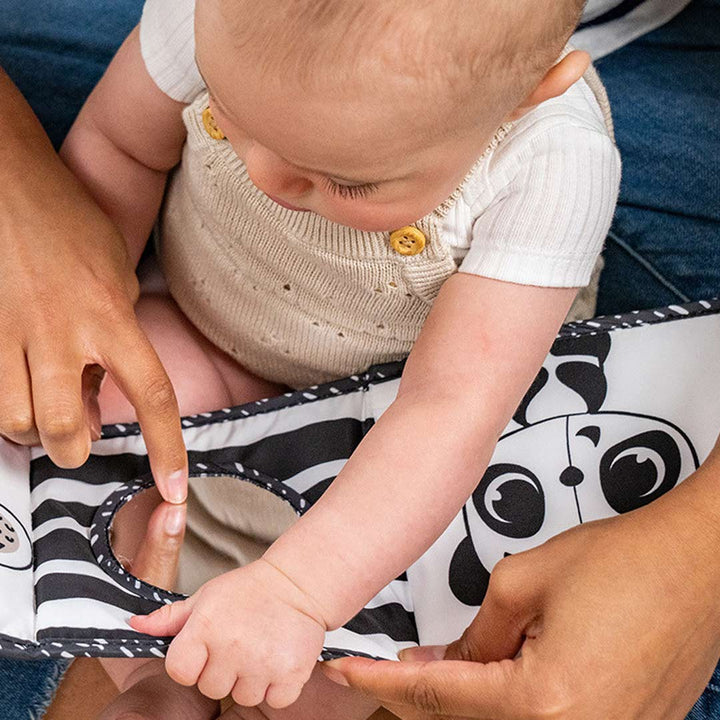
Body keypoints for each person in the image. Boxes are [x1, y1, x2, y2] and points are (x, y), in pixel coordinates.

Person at [51, 0, 621, 715]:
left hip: (402, 421)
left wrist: (300, 593)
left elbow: (452, 408)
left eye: (346, 181)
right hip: (210, 336)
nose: (265, 177)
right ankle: (146, 667)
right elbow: (119, 147)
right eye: (232, 121)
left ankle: (278, 692)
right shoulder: (209, 18)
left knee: (426, 585)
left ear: (528, 92)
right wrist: (81, 320)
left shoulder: (552, 160)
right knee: (85, 425)